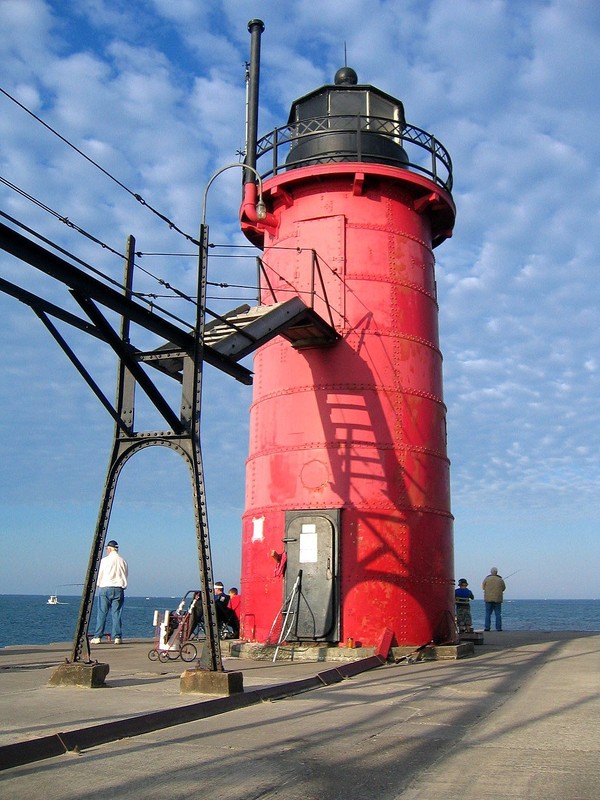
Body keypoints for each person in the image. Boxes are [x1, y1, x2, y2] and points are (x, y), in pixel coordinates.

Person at [91, 540, 128, 644]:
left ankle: (98, 636)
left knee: (102, 613)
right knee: (116, 613)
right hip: (119, 588)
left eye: (107, 549)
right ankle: (117, 637)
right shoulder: (123, 561)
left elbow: (100, 574)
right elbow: (125, 575)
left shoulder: (104, 561)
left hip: (105, 588)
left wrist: (98, 584)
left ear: (110, 549)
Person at [482, 566, 506, 631]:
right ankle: (499, 628)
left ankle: (487, 627)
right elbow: (503, 588)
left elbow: (483, 587)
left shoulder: (487, 579)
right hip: (497, 599)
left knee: (488, 614)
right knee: (498, 614)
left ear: (491, 572)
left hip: (488, 599)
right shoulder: (500, 580)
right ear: (497, 572)